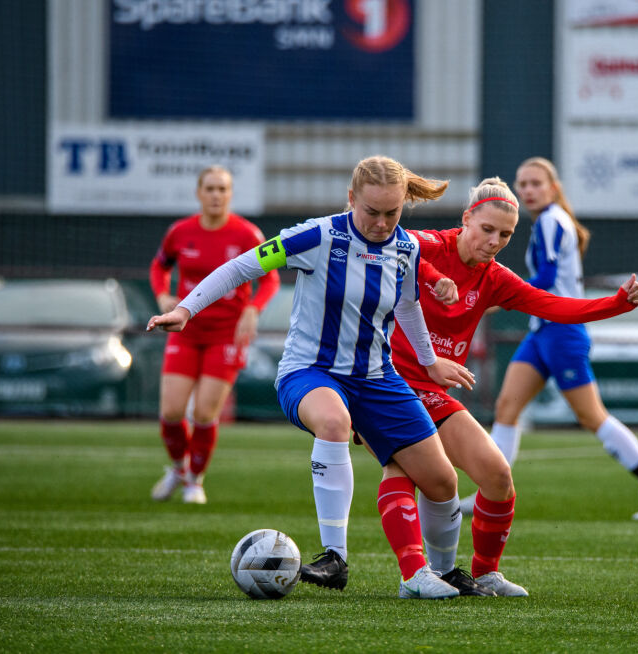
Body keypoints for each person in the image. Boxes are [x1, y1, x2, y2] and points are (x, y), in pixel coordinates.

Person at [147, 155, 476, 599]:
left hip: (378, 379)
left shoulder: (408, 248)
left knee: (443, 482)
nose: (382, 223)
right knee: (335, 421)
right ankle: (334, 557)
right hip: (309, 372)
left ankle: (435, 575)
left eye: (392, 213)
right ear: (350, 199)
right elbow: (242, 267)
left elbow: (407, 305)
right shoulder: (316, 235)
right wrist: (185, 308)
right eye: (372, 212)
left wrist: (429, 359)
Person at [380, 177, 638, 597]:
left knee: (498, 476)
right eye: (486, 230)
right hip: (384, 381)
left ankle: (484, 573)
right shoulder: (432, 245)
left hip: (434, 389)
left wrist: (615, 303)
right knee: (413, 469)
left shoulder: (494, 277)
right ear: (467, 219)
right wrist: (431, 277)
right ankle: (414, 575)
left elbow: (553, 305)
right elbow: (393, 242)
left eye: (505, 235)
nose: (494, 241)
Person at [484, 157, 638, 520]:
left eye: (535, 183)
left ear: (554, 188)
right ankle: (491, 495)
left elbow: (546, 277)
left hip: (562, 331)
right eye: (522, 184)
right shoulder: (550, 221)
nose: (527, 190)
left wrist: (499, 297)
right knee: (506, 409)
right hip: (542, 330)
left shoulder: (552, 221)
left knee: (592, 416)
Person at [148, 165, 280, 504]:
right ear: (198, 192)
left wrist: (253, 309)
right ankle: (178, 468)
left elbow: (270, 278)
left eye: (223, 189)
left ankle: (194, 480)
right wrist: (163, 296)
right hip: (186, 329)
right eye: (210, 188)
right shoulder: (180, 232)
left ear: (230, 194)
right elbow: (159, 266)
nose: (216, 195)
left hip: (226, 332)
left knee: (206, 413)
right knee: (172, 411)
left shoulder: (247, 234)